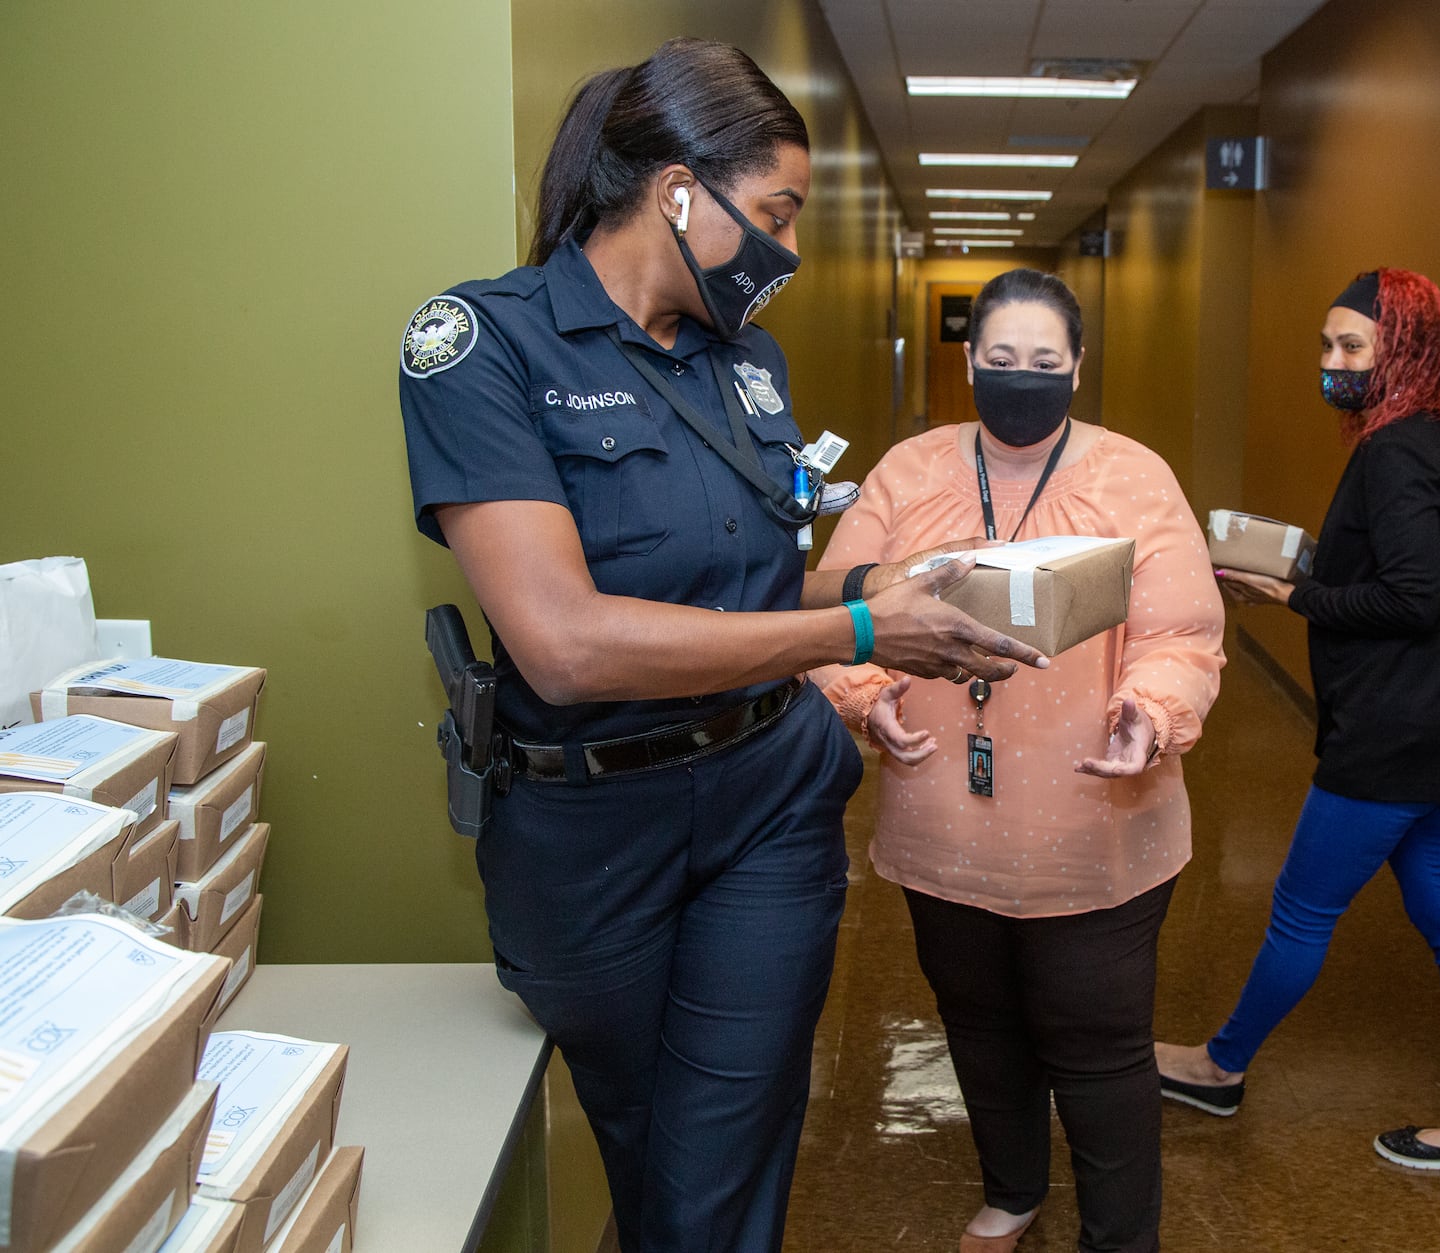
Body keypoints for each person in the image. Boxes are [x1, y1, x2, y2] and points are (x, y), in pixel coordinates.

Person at [396, 38, 1048, 1253]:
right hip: (588, 830)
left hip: (766, 796)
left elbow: (741, 583)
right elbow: (567, 644)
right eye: (776, 214)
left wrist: (873, 580)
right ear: (678, 188)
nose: (787, 252)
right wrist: (859, 628)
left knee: (728, 1150)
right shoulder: (485, 345)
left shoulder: (745, 362)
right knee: (649, 1146)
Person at [816, 268, 1226, 1253]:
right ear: (968, 362)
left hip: (1098, 813)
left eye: (1045, 361)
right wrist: (866, 696)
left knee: (1096, 1044)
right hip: (941, 815)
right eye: (1001, 360)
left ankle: (1119, 1235)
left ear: (1077, 365)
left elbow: (1182, 628)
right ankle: (1012, 1185)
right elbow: (830, 608)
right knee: (978, 1021)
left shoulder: (1133, 475)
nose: (1022, 378)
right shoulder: (908, 472)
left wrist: (1151, 709)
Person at [1155, 268, 1440, 1180]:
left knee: (1301, 909)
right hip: (1439, 729)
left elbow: (1411, 594)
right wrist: (1314, 564)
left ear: (1406, 351)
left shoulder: (1395, 449)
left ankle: (1219, 1065)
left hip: (1391, 739)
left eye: (1352, 348)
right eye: (1328, 346)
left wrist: (1296, 592)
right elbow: (1411, 570)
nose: (1334, 363)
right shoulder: (1426, 439)